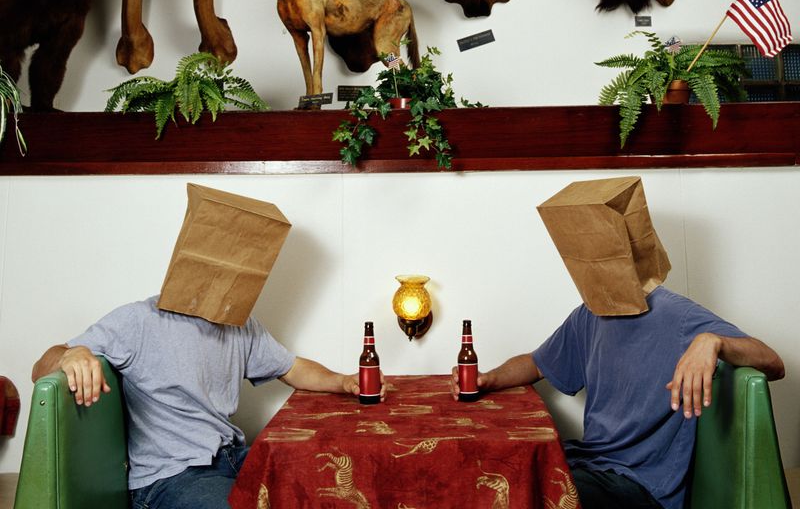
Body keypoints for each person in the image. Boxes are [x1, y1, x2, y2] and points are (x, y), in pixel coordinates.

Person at [451, 177, 785, 509]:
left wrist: (713, 341)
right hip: (588, 463)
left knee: (529, 492)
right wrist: (487, 379)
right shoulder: (590, 313)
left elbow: (773, 363)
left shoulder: (679, 317)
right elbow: (537, 362)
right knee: (493, 469)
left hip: (640, 485)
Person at [32, 294, 384, 509]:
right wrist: (72, 353)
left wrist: (342, 381)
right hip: (170, 477)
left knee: (321, 485)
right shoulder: (139, 319)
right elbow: (42, 368)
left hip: (231, 457)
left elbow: (291, 367)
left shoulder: (240, 325)